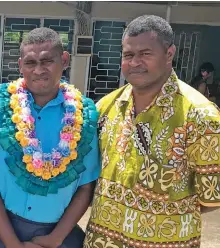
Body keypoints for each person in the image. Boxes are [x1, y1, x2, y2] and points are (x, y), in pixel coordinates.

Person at [84, 15, 220, 248]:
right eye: (128, 55)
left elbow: (212, 198)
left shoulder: (200, 117)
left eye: (145, 54)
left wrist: (156, 211)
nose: (135, 62)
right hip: (101, 241)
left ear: (169, 54)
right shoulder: (105, 107)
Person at [0, 27, 100, 248]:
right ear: (20, 65)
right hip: (1, 232)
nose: (39, 70)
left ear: (64, 60)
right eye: (30, 63)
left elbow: (86, 188)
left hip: (59, 237)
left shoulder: (83, 119)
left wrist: (55, 239)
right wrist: (13, 244)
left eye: (47, 61)